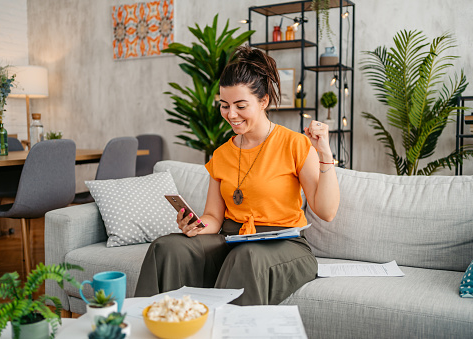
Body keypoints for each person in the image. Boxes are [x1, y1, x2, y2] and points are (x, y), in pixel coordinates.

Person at [135, 45, 340, 305]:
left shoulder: (295, 144)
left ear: (263, 101)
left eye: (241, 105)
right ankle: (161, 326)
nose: (231, 114)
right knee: (167, 248)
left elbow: (327, 211)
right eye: (224, 105)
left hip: (285, 246)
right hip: (232, 240)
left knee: (246, 256)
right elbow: (213, 217)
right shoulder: (221, 155)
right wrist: (196, 227)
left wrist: (323, 152)